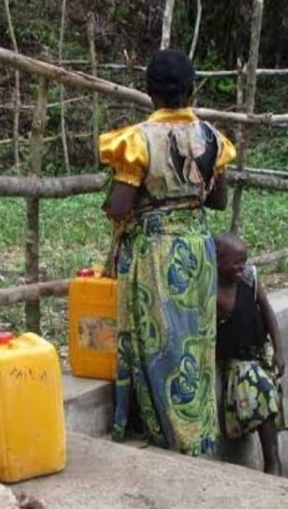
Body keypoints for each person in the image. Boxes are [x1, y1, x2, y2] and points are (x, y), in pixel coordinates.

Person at [99, 49, 236, 455]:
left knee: (162, 344)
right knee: (196, 340)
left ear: (149, 91)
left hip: (157, 253)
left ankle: (173, 435)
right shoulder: (212, 138)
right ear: (192, 89)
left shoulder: (138, 141)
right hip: (199, 247)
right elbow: (218, 201)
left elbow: (119, 207)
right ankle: (199, 431)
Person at [214, 232, 286, 475]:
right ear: (217, 261)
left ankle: (274, 461)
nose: (241, 266)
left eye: (243, 261)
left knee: (269, 393)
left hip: (259, 355)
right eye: (235, 262)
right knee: (261, 389)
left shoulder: (249, 278)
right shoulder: (212, 291)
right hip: (236, 364)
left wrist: (278, 350)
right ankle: (272, 462)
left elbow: (268, 313)